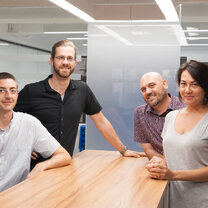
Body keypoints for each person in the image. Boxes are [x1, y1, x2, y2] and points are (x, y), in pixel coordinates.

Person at [14, 40, 144, 168]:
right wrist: (21, 145)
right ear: (52, 60)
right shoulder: (32, 91)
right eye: (60, 57)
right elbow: (8, 120)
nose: (65, 62)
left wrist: (123, 150)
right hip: (34, 167)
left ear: (75, 62)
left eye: (69, 58)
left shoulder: (82, 90)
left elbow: (101, 122)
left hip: (64, 165)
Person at [147, 60, 208, 208]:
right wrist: (159, 165)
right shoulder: (171, 117)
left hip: (200, 201)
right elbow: (168, 158)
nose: (187, 90)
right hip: (170, 197)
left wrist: (174, 175)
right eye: (183, 83)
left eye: (194, 84)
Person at [0, 72, 71, 192]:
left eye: (13, 91)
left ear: (17, 94)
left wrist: (40, 166)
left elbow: (64, 156)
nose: (8, 96)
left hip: (17, 197)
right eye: (1, 90)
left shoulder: (29, 124)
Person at [134, 72, 185, 160]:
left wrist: (173, 171)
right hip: (159, 168)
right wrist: (164, 167)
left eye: (152, 85)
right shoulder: (140, 113)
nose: (148, 91)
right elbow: (148, 150)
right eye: (143, 89)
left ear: (164, 84)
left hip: (187, 170)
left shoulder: (185, 108)